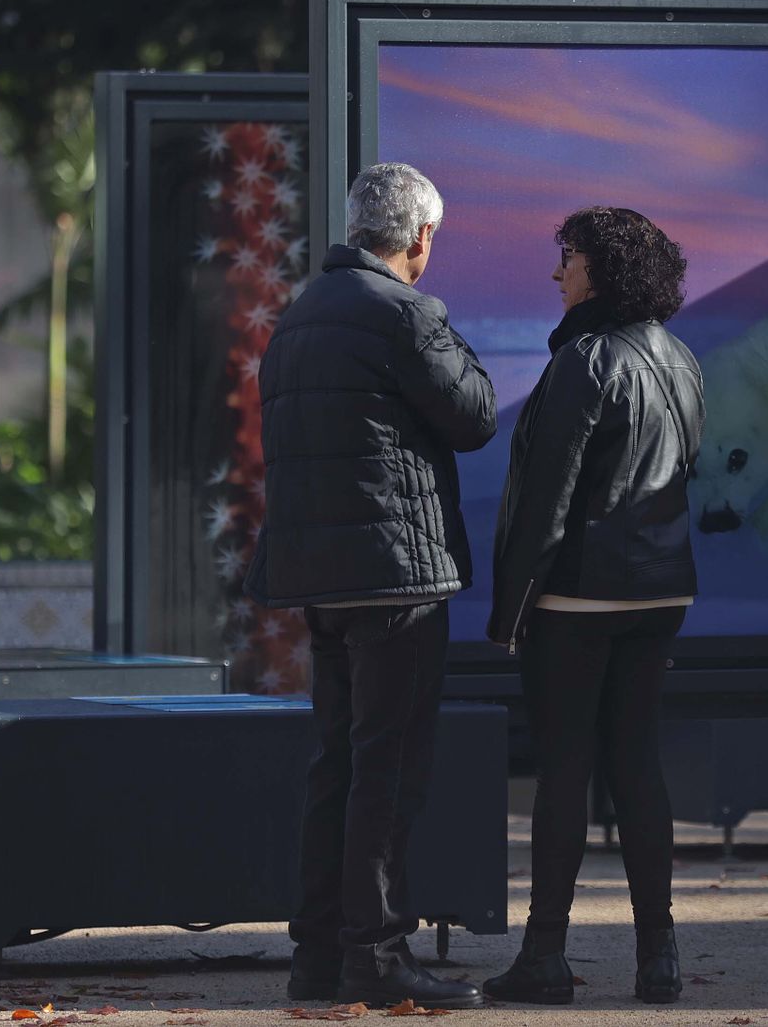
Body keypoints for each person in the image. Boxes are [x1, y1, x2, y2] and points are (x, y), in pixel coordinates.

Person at [245, 162, 497, 1010]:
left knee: (337, 763)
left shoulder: (298, 315)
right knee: (386, 771)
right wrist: (445, 329)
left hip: (321, 580)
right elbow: (475, 414)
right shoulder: (407, 313)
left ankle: (317, 956)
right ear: (420, 236)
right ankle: (378, 956)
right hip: (397, 579)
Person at [484, 206, 704, 1005]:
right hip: (663, 589)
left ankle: (544, 956)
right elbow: (686, 468)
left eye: (569, 258)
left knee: (565, 769)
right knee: (637, 763)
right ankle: (659, 956)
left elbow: (546, 500)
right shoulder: (682, 358)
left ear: (601, 270)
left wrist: (510, 611)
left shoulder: (583, 360)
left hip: (580, 595)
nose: (557, 272)